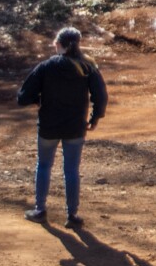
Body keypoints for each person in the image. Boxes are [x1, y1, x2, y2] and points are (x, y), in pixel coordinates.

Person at [16, 25, 107, 228]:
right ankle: (72, 215)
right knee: (72, 170)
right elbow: (100, 96)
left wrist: (38, 100)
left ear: (58, 44)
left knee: (44, 165)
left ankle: (40, 209)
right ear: (77, 44)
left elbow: (23, 97)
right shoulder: (87, 66)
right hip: (75, 127)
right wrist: (95, 118)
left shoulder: (46, 67)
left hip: (48, 126)